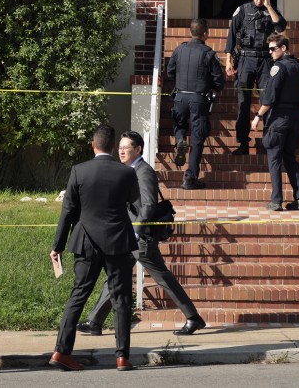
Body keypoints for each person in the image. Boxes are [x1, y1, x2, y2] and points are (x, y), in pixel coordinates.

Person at [77, 131, 206, 337]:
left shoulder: (143, 171)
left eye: (125, 147)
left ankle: (193, 318)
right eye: (119, 147)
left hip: (140, 238)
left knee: (162, 277)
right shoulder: (129, 170)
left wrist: (136, 232)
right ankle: (95, 321)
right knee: (116, 276)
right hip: (128, 236)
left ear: (137, 150)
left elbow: (147, 205)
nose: (121, 150)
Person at [50, 125, 140, 372]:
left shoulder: (79, 171)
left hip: (86, 240)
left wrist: (57, 245)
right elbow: (135, 203)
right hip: (118, 242)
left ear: (93, 144)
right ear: (113, 147)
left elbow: (67, 211)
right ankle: (122, 357)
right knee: (121, 298)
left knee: (78, 295)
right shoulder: (127, 173)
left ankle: (61, 351)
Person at [225, 0, 286, 156]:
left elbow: (280, 27)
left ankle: (268, 141)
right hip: (245, 59)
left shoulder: (271, 11)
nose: (258, 1)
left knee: (267, 100)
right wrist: (228, 60)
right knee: (243, 102)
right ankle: (243, 143)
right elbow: (231, 34)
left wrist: (268, 6)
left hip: (265, 61)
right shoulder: (243, 10)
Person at [251, 33, 299, 211]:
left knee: (274, 158)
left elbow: (269, 97)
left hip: (279, 119)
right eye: (269, 49)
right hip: (295, 117)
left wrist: (258, 116)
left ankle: (276, 200)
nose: (270, 52)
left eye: (273, 49)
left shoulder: (278, 68)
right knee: (290, 157)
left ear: (283, 48)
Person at [166, 18, 225, 190]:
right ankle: (190, 178)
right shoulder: (208, 53)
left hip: (180, 97)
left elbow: (170, 71)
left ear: (190, 32)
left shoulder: (180, 49)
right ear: (205, 33)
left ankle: (179, 139)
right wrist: (213, 88)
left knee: (179, 124)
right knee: (198, 139)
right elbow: (219, 80)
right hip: (199, 99)